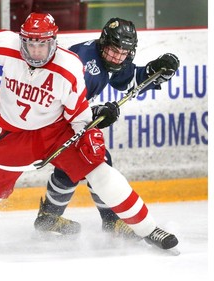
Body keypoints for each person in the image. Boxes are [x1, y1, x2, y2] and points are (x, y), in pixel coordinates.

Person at [0, 13, 178, 251]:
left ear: (54, 42)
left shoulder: (73, 65)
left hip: (57, 129)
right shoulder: (73, 62)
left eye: (43, 45)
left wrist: (151, 72)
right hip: (14, 134)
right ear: (22, 39)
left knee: (99, 165)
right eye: (31, 44)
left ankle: (143, 228)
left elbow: (110, 88)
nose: (36, 51)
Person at [33, 18, 180, 240]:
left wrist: (155, 70)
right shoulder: (82, 61)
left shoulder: (108, 57)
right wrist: (93, 112)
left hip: (63, 122)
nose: (118, 57)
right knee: (96, 158)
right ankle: (110, 221)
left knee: (75, 164)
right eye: (114, 51)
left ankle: (48, 218)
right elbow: (60, 100)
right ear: (103, 43)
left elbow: (130, 81)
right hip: (47, 121)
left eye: (124, 53)